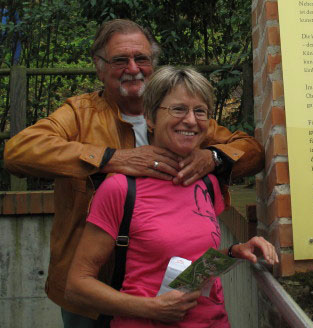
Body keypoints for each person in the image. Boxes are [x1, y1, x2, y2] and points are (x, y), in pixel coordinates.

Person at [4, 19, 263, 327]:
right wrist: (111, 158)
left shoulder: (180, 116)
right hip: (94, 288)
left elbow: (251, 150)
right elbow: (19, 150)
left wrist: (214, 158)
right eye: (119, 60)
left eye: (141, 58)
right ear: (99, 67)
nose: (133, 67)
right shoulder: (80, 114)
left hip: (165, 287)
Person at [65, 66, 277, 327]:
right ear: (150, 118)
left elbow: (190, 267)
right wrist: (151, 308)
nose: (190, 120)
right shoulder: (120, 188)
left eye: (199, 111)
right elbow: (77, 285)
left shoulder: (207, 183)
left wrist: (234, 252)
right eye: (178, 109)